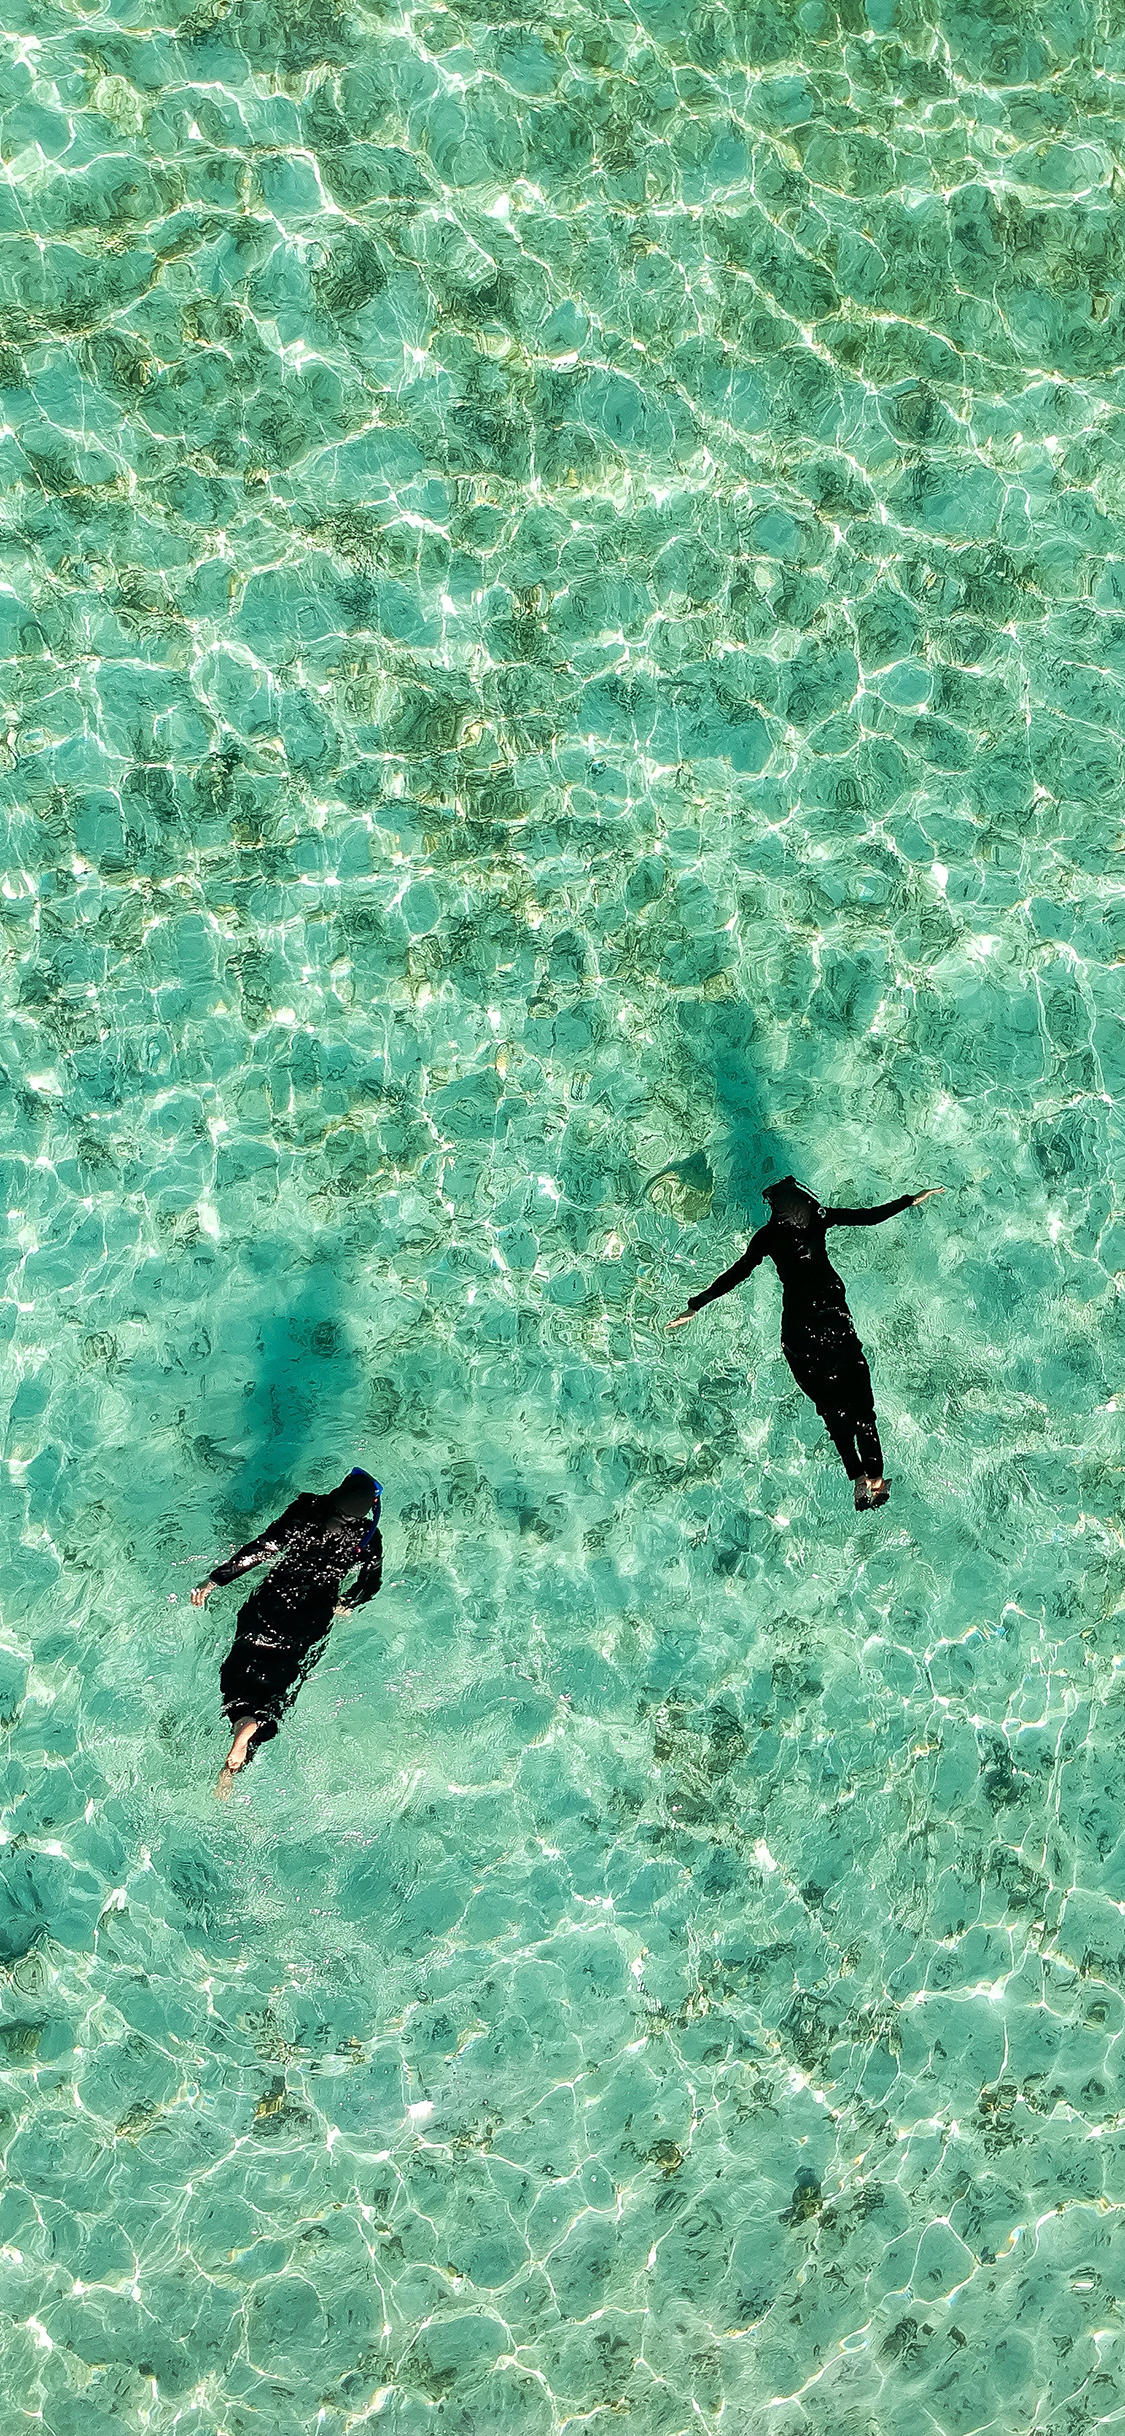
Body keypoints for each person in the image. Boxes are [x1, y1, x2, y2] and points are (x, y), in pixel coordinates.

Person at [667, 1178, 942, 1509]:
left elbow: (738, 1272)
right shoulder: (819, 1216)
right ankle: (875, 1481)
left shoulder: (767, 1237)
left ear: (776, 1209)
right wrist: (910, 1199)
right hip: (832, 1322)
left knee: (831, 1405)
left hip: (799, 1333)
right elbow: (869, 1216)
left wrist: (696, 1304)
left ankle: (857, 1477)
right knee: (859, 1406)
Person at [192, 1468, 383, 1797]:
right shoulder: (369, 1537)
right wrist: (346, 1602)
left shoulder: (307, 1511)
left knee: (239, 1672)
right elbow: (370, 1584)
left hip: (271, 1606)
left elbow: (263, 1548)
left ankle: (241, 1721)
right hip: (309, 1624)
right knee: (276, 1693)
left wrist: (214, 1580)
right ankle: (244, 1738)